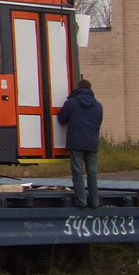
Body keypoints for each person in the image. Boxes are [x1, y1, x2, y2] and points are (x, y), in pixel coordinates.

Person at [57, 78, 104, 208]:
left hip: (76, 143)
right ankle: (94, 202)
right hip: (92, 143)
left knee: (78, 172)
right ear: (90, 89)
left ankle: (81, 201)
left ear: (78, 88)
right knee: (92, 172)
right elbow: (98, 123)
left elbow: (61, 118)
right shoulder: (98, 106)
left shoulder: (71, 103)